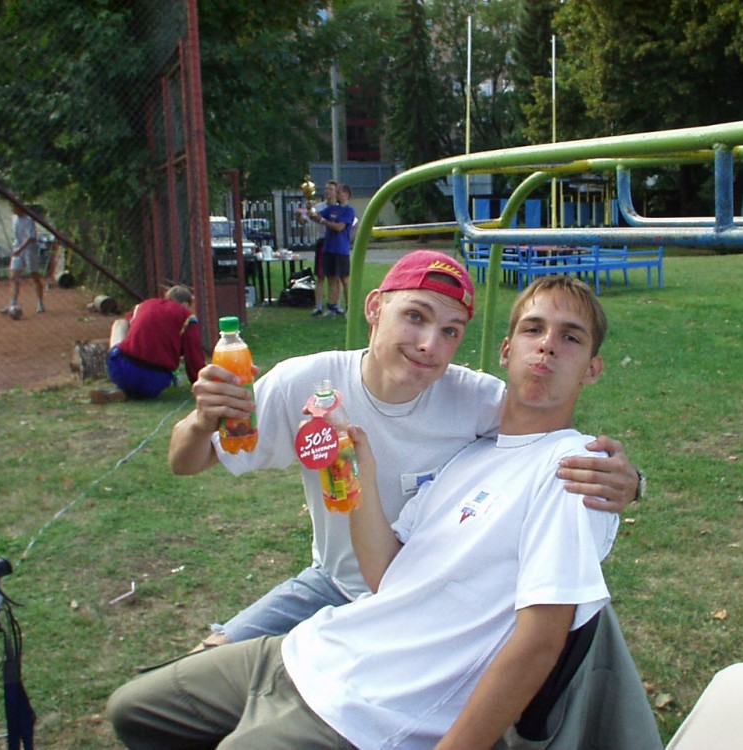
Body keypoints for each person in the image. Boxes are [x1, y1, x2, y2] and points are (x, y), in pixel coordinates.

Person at [109, 275, 621, 749]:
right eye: (533, 329)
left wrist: (632, 481)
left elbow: (541, 639)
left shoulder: (570, 467)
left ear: (593, 369)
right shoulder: (469, 452)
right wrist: (354, 469)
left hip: (372, 703)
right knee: (132, 709)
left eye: (570, 337)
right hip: (325, 631)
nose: (547, 345)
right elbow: (386, 573)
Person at [168, 250, 643, 651]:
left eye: (450, 331)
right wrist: (201, 421)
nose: (429, 345)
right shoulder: (305, 383)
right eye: (415, 316)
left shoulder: (476, 400)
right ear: (375, 307)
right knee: (200, 664)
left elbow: (547, 434)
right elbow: (187, 461)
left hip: (425, 605)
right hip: (334, 584)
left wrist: (632, 482)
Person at [90, 285, 206, 403]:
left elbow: (130, 322)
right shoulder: (187, 317)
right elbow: (194, 356)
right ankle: (129, 393)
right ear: (185, 304)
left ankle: (122, 389)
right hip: (155, 379)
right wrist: (199, 382)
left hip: (121, 369)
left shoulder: (145, 305)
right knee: (148, 378)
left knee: (120, 323)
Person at [309, 182, 355, 316]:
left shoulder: (349, 210)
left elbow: (339, 227)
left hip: (341, 249)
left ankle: (349, 307)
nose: (336, 194)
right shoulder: (332, 209)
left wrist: (323, 221)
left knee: (344, 279)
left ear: (346, 194)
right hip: (328, 249)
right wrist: (310, 209)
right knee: (331, 278)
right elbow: (316, 216)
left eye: (338, 192)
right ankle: (332, 307)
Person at [299, 179, 338, 316]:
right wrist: (302, 213)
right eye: (326, 189)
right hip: (322, 242)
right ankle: (318, 307)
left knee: (334, 277)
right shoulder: (319, 207)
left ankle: (334, 305)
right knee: (320, 276)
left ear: (336, 192)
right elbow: (304, 220)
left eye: (331, 189)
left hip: (336, 243)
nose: (328, 192)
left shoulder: (340, 208)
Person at [1, 205, 45, 315]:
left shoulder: (29, 219)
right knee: (13, 277)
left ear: (20, 208)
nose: (13, 210)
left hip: (30, 249)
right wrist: (17, 249)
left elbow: (31, 237)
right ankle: (12, 304)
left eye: (14, 208)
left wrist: (20, 249)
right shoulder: (14, 218)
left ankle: (40, 303)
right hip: (18, 248)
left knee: (34, 276)